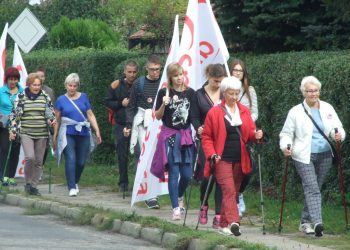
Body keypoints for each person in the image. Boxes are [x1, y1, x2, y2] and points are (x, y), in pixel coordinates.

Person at [279, 76, 345, 237]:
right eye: (309, 91)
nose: (313, 94)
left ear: (319, 91)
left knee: (315, 188)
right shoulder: (295, 111)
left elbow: (337, 128)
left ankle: (305, 222)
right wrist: (285, 147)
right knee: (312, 188)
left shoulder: (327, 108)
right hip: (302, 155)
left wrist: (339, 135)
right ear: (303, 92)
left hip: (324, 154)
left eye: (315, 90)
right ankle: (318, 223)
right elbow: (286, 134)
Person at [201, 76, 263, 236]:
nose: (234, 97)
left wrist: (256, 135)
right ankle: (234, 222)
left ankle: (223, 224)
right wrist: (212, 154)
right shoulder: (214, 112)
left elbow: (250, 132)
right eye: (231, 93)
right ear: (224, 93)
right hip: (221, 158)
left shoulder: (244, 110)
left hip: (240, 158)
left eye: (237, 93)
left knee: (233, 192)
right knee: (228, 190)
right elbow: (206, 137)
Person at [150, 62, 195, 220]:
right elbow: (158, 116)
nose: (179, 78)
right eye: (175, 75)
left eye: (181, 74)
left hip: (186, 136)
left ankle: (180, 195)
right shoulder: (164, 92)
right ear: (170, 77)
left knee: (187, 174)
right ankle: (175, 207)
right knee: (174, 173)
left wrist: (201, 129)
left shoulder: (191, 93)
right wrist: (163, 103)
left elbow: (194, 116)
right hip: (170, 136)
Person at [53, 73, 102, 197]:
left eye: (74, 86)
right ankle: (71, 187)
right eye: (70, 85)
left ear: (77, 86)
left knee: (81, 161)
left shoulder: (84, 97)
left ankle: (75, 181)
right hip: (67, 133)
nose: (72, 88)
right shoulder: (61, 100)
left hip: (83, 132)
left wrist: (97, 130)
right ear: (66, 85)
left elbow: (90, 114)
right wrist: (55, 136)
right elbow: (57, 120)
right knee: (71, 158)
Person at [124, 54, 162, 209]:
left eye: (157, 69)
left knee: (158, 158)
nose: (155, 72)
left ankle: (155, 191)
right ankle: (148, 194)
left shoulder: (164, 83)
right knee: (143, 157)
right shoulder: (139, 84)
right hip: (142, 124)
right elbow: (131, 106)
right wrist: (128, 125)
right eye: (152, 69)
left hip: (159, 124)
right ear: (146, 68)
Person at [190, 64, 225, 228]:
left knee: (220, 177)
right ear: (208, 76)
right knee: (206, 175)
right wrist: (198, 128)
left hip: (224, 140)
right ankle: (203, 205)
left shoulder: (225, 93)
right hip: (206, 140)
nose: (218, 84)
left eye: (220, 81)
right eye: (215, 81)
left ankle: (218, 214)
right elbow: (194, 117)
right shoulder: (198, 95)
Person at [9, 73, 55, 195]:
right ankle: (28, 182)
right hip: (26, 132)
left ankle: (34, 186)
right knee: (30, 157)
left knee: (39, 161)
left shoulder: (45, 97)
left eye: (39, 85)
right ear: (29, 84)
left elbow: (51, 113)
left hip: (42, 133)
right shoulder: (21, 97)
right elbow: (14, 116)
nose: (36, 87)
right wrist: (13, 130)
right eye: (34, 85)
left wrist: (51, 120)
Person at [230, 59, 258, 217]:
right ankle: (231, 199)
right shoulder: (225, 88)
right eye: (235, 70)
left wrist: (247, 122)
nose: (238, 73)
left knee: (248, 168)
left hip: (245, 132)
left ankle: (239, 193)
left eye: (240, 71)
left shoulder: (250, 90)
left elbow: (255, 111)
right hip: (229, 132)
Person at [105, 60, 138, 192]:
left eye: (134, 72)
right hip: (121, 124)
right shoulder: (116, 85)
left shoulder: (140, 84)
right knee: (122, 154)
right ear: (124, 72)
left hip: (137, 124)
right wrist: (120, 103)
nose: (132, 75)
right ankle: (123, 183)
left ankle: (139, 184)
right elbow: (107, 102)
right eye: (129, 72)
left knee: (138, 153)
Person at [0, 67, 24, 186]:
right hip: (4, 125)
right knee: (4, 150)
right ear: (7, 79)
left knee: (15, 151)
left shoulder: (23, 92)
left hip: (18, 125)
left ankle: (10, 176)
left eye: (15, 79)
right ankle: (2, 175)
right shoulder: (1, 91)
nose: (13, 82)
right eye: (10, 79)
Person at [36, 66, 56, 175]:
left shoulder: (49, 91)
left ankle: (40, 167)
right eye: (38, 76)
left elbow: (53, 108)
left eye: (42, 76)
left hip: (46, 124)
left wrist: (52, 120)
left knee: (44, 148)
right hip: (33, 123)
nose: (40, 78)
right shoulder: (28, 89)